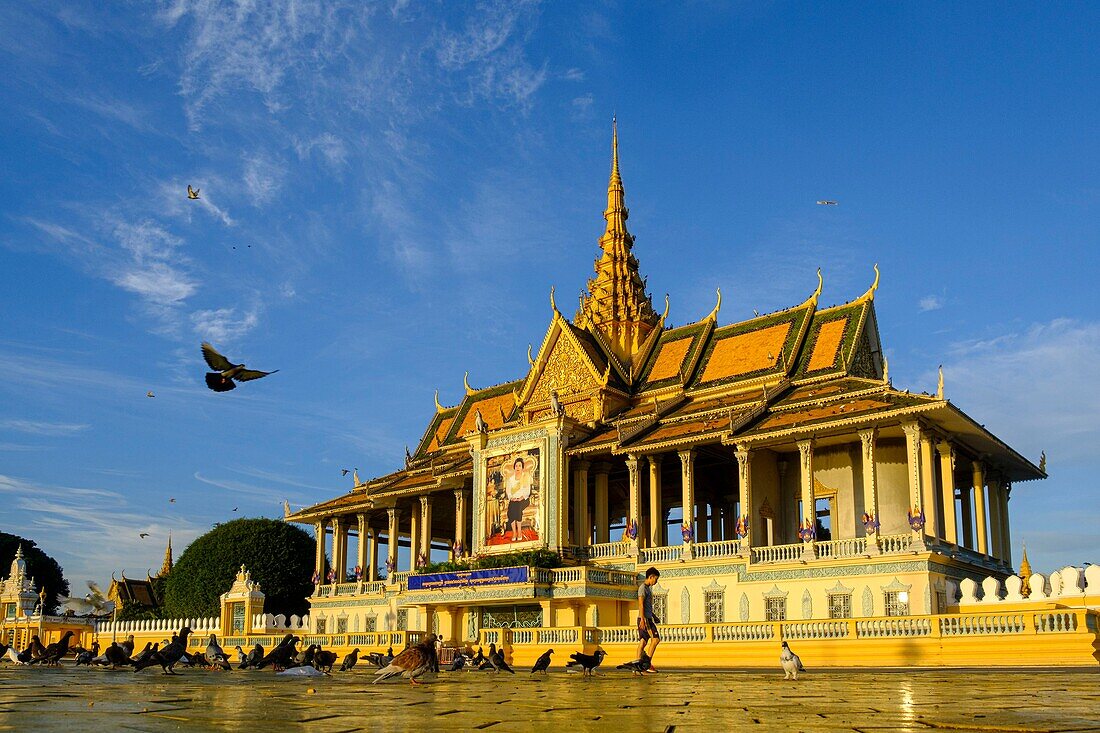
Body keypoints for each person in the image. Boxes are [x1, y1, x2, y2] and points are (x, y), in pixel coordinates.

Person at [636, 566, 661, 673]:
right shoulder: (642, 588)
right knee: (655, 640)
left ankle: (637, 667)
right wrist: (643, 619)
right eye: (656, 579)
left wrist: (654, 616)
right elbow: (641, 605)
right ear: (651, 577)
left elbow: (647, 606)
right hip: (644, 619)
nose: (656, 581)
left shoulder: (647, 589)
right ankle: (647, 664)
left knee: (643, 642)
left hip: (647, 617)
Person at [505, 457, 532, 542]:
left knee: (517, 507)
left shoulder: (525, 477)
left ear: (522, 467)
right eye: (516, 466)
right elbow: (508, 491)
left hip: (524, 499)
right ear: (514, 467)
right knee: (511, 510)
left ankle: (519, 532)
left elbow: (527, 491)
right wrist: (511, 497)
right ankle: (514, 533)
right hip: (514, 500)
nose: (518, 467)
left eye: (519, 466)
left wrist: (521, 497)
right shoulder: (511, 479)